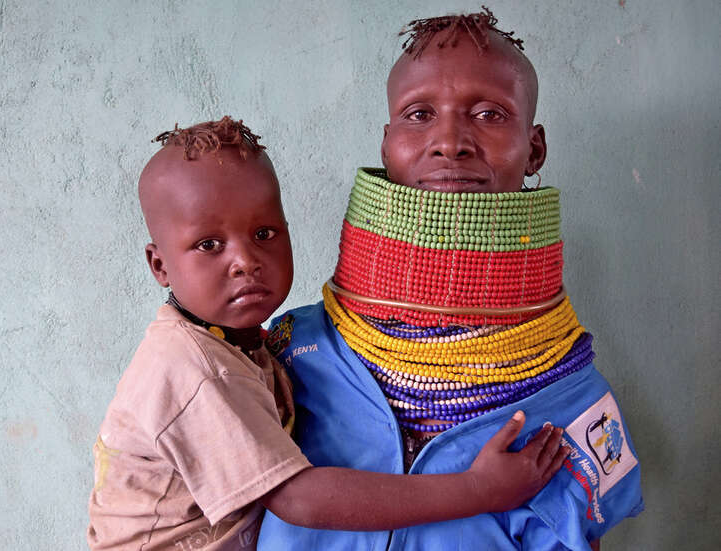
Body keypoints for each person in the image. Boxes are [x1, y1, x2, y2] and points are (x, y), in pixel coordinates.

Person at [87, 116, 569, 550]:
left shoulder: (255, 341)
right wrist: (478, 490)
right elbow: (299, 499)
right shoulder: (192, 369)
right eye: (209, 245)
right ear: (160, 265)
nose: (246, 261)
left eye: (264, 234)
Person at [257, 9, 643, 551]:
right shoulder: (290, 352)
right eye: (418, 114)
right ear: (386, 144)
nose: (449, 141)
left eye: (489, 113)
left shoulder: (572, 402)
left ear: (535, 149)